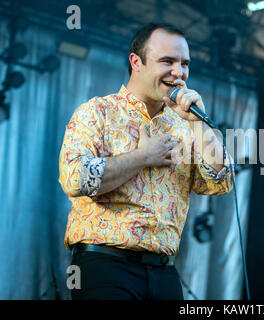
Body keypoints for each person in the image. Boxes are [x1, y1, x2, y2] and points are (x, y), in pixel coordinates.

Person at [58, 22, 233, 300]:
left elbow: (221, 183)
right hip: (105, 265)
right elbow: (76, 179)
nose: (179, 73)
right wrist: (143, 157)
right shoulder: (97, 112)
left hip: (165, 272)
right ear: (136, 62)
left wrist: (199, 123)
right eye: (167, 61)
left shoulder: (185, 124)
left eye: (184, 63)